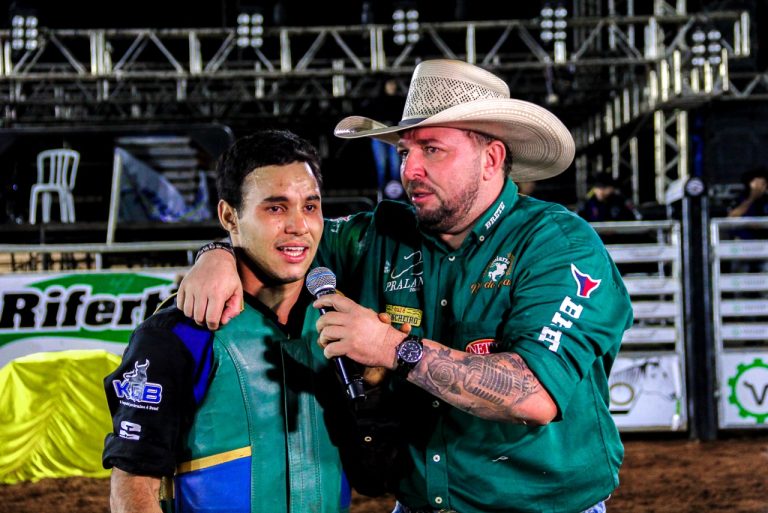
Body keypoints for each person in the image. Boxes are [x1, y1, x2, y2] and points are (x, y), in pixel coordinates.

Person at [179, 60, 634, 513]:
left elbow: (533, 394)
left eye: (432, 149)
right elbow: (281, 240)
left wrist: (392, 348)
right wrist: (218, 252)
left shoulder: (557, 244)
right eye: (404, 152)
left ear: (491, 159)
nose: (410, 169)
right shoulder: (377, 234)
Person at [102, 130, 350, 513]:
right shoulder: (178, 335)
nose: (299, 225)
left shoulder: (338, 321)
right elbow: (132, 483)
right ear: (229, 216)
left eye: (310, 206)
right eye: (276, 208)